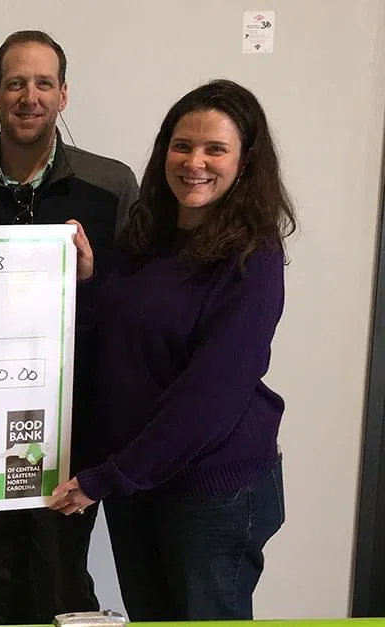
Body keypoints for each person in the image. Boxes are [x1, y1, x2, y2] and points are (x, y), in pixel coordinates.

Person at [49, 79, 293, 621]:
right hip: (139, 483)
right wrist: (87, 281)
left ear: (245, 161)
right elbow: (122, 337)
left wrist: (108, 477)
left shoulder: (252, 258)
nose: (194, 162)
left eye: (215, 149)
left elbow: (208, 398)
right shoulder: (149, 233)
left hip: (208, 492)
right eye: (182, 146)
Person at [0, 30, 139, 624]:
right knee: (3, 574)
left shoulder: (112, 185)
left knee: (63, 573)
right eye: (15, 83)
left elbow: (138, 307)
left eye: (44, 83)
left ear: (64, 95)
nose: (29, 96)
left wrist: (91, 280)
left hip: (76, 426)